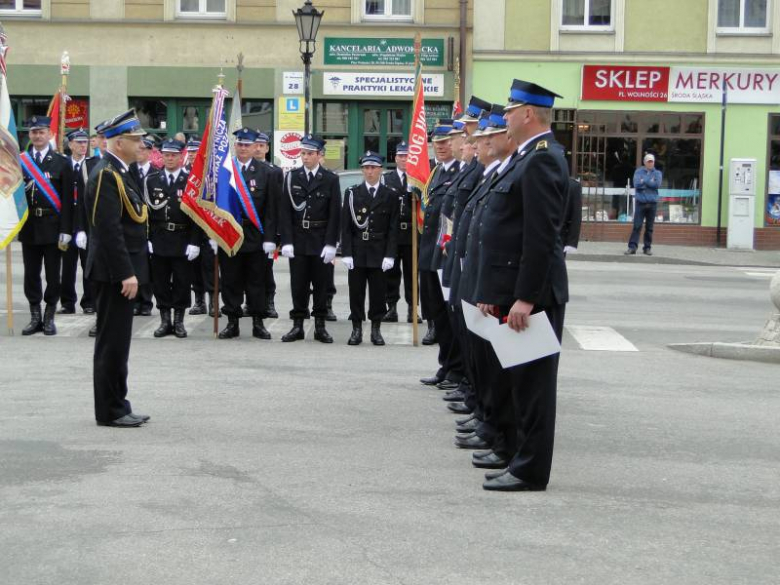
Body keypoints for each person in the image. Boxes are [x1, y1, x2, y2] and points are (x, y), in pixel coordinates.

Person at [474, 79, 569, 492]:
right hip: (516, 292)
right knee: (520, 382)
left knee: (533, 388)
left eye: (511, 110)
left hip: (533, 296)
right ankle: (519, 458)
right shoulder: (528, 157)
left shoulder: (543, 159)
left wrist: (526, 298)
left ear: (528, 114)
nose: (505, 116)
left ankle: (530, 470)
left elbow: (541, 237)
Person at [85, 109, 151, 428]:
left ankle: (119, 403)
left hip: (123, 270)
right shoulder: (106, 175)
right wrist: (125, 273)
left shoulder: (123, 171)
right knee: (111, 343)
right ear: (119, 142)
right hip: (113, 274)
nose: (142, 144)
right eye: (136, 140)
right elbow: (108, 230)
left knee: (120, 343)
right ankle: (110, 410)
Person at [278, 134, 340, 343]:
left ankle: (320, 325)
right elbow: (285, 212)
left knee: (321, 284)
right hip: (298, 239)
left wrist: (332, 243)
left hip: (321, 239)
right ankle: (297, 325)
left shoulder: (330, 179)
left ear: (319, 155)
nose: (305, 157)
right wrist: (286, 240)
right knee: (299, 284)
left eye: (309, 154)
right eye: (303, 153)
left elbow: (334, 214)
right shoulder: (292, 177)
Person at [217, 128, 278, 339]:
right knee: (230, 280)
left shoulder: (267, 173)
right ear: (235, 146)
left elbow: (272, 210)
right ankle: (232, 322)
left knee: (256, 281)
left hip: (255, 235)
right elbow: (216, 204)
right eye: (240, 144)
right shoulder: (225, 171)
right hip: (230, 234)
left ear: (255, 147)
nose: (243, 148)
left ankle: (258, 322)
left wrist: (271, 239)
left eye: (247, 145)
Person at [18, 115, 74, 336]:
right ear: (29, 135)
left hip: (53, 226)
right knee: (31, 274)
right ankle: (35, 317)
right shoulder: (20, 161)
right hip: (29, 225)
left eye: (41, 132)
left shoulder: (62, 162)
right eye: (33, 132)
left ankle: (49, 316)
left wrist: (66, 230)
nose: (37, 136)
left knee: (53, 275)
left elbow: (69, 201)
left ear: (49, 134)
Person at [144, 138, 201, 338]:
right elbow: (146, 213)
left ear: (181, 156)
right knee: (159, 281)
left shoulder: (190, 181)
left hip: (182, 237)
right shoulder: (151, 180)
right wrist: (147, 238)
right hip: (159, 237)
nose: (169, 158)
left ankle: (179, 321)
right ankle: (164, 320)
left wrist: (195, 242)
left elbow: (196, 215)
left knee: (182, 282)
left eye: (174, 155)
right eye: (166, 155)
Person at [341, 151, 399, 346]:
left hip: (379, 251)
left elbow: (393, 228)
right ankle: (356, 328)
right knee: (356, 292)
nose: (370, 171)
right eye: (366, 167)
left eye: (373, 167)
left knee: (378, 293)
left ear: (380, 169)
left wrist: (390, 255)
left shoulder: (390, 195)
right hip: (358, 250)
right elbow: (346, 227)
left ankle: (376, 329)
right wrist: (347, 253)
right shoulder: (352, 193)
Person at [418, 120, 461, 379]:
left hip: (446, 254)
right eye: (436, 142)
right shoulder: (437, 173)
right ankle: (446, 365)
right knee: (438, 314)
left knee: (451, 315)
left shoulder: (460, 172)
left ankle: (456, 368)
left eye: (445, 142)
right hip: (430, 253)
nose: (440, 146)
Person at [381, 141, 420, 324]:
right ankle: (392, 308)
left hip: (412, 233)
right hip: (393, 234)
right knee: (391, 273)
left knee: (413, 274)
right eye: (401, 156)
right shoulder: (387, 179)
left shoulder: (418, 178)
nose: (404, 159)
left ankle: (413, 309)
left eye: (407, 156)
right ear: (395, 158)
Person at [60, 128, 97, 315]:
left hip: (88, 226)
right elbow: (64, 199)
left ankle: (89, 302)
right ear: (71, 144)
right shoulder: (64, 166)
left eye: (85, 142)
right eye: (79, 142)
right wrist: (64, 228)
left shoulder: (93, 165)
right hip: (68, 225)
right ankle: (67, 302)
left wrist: (84, 228)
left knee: (88, 266)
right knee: (67, 267)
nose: (83, 146)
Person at [254, 131, 282, 319]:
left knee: (266, 268)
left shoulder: (273, 171)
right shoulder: (240, 170)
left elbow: (277, 205)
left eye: (261, 145)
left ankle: (269, 302)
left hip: (266, 230)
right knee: (248, 270)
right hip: (246, 230)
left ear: (267, 148)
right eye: (254, 144)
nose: (257, 148)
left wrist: (276, 235)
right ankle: (252, 303)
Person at [129, 138, 157, 316]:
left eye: (143, 150)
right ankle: (134, 300)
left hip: (151, 225)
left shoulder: (156, 173)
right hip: (132, 223)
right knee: (132, 264)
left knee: (147, 266)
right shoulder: (128, 171)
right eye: (137, 149)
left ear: (149, 152)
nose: (139, 152)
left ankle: (146, 301)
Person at [625, 153, 662, 256]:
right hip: (640, 203)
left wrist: (644, 181)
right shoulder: (638, 171)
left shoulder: (658, 173)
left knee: (649, 228)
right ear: (645, 162)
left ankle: (647, 248)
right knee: (637, 226)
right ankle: (632, 247)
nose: (650, 163)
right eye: (649, 161)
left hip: (652, 203)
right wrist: (650, 181)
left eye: (652, 161)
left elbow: (657, 184)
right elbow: (636, 184)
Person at [562, 177, 583, 256]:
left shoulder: (573, 186)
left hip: (560, 237)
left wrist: (571, 242)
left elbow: (576, 216)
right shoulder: (537, 182)